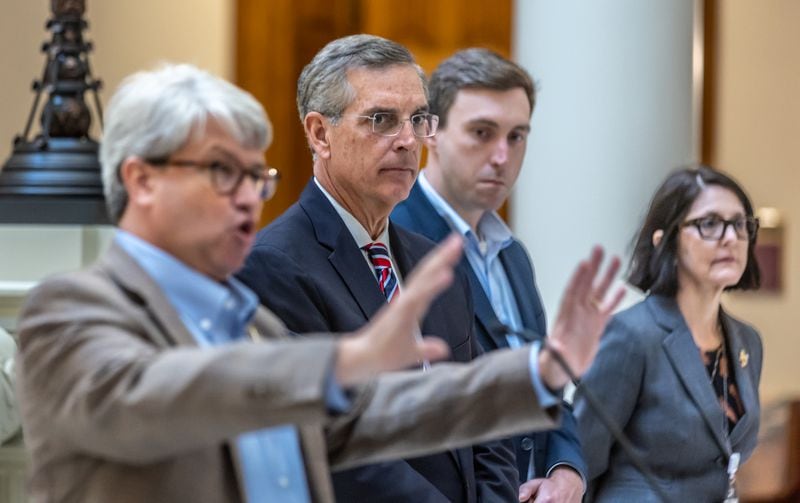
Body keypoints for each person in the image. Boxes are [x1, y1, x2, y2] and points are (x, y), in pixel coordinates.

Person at [15, 62, 622, 503]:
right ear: (142, 180)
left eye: (258, 176)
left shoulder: (250, 325)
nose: (249, 198)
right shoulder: (67, 311)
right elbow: (155, 399)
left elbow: (385, 417)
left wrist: (538, 372)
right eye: (222, 172)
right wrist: (345, 360)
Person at [237, 35, 519, 502]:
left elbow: (481, 412)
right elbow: (334, 446)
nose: (409, 141)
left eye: (417, 120)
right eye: (381, 120)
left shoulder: (436, 259)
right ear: (319, 133)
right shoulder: (274, 265)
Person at [392, 48, 586, 503]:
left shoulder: (513, 255)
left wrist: (566, 470)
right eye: (482, 133)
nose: (502, 156)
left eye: (517, 136)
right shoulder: (394, 238)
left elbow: (547, 382)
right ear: (431, 131)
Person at [574, 166, 763, 502]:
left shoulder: (748, 342)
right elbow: (581, 461)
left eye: (739, 224)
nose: (731, 238)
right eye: (709, 224)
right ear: (665, 242)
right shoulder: (631, 335)